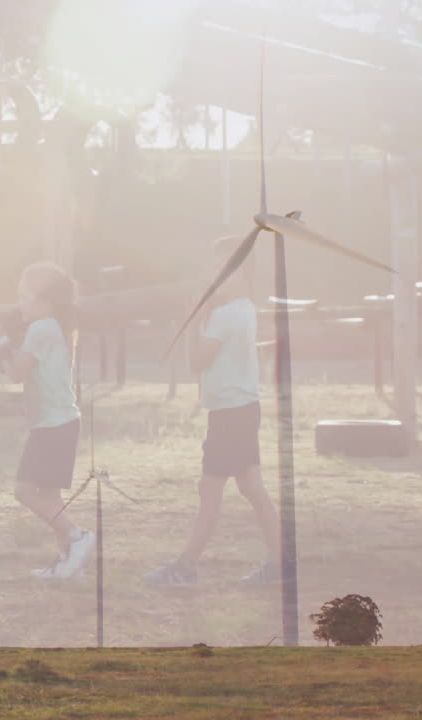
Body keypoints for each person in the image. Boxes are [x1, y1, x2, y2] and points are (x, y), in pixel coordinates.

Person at [144, 235, 281, 586]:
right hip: (241, 409)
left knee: (210, 489)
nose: (217, 276)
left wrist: (192, 324)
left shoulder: (225, 315)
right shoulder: (244, 308)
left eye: (225, 269)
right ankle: (282, 563)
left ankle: (186, 566)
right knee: (251, 487)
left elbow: (197, 362)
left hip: (230, 415)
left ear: (243, 273)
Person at [2, 262, 94, 580]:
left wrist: (0, 344)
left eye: (24, 296)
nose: (19, 303)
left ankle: (79, 538)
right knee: (51, 497)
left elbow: (16, 372)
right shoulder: (54, 326)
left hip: (53, 425)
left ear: (44, 299)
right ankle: (70, 564)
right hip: (62, 422)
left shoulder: (42, 328)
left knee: (24, 491)